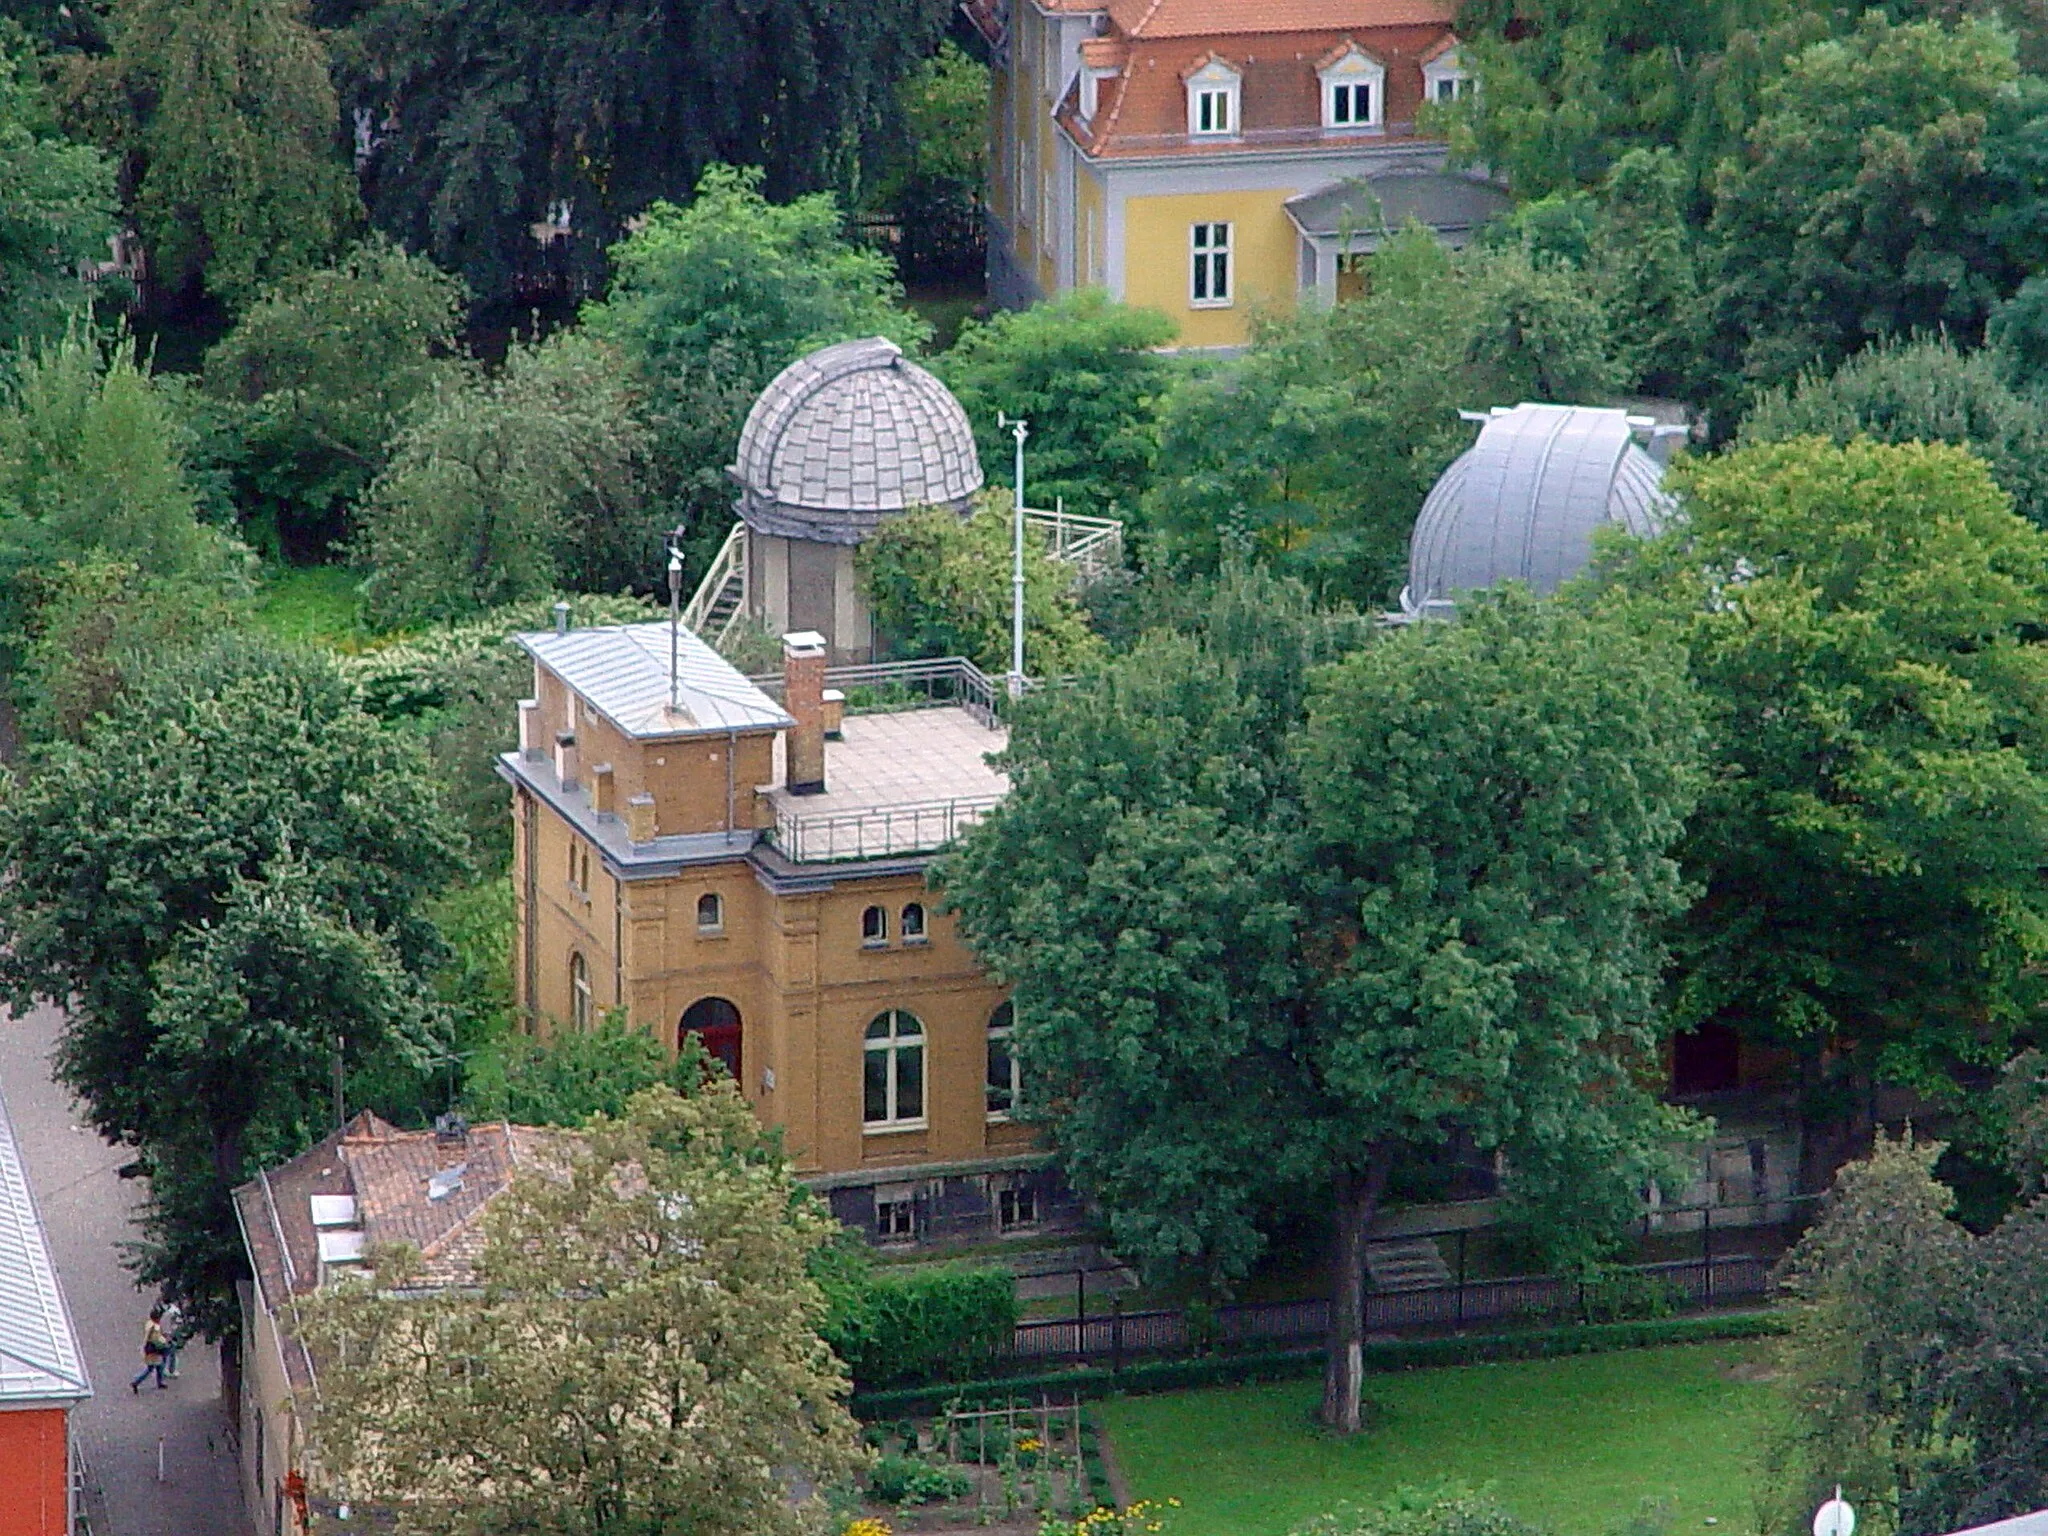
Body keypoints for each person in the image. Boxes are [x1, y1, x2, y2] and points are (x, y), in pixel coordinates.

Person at [130, 1307, 170, 1393]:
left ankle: (160, 1382)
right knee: (151, 1368)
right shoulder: (155, 1327)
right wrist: (165, 1341)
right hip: (154, 1349)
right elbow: (157, 1339)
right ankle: (136, 1382)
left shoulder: (149, 1324)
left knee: (160, 1366)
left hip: (149, 1347)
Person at [158, 1299, 184, 1379]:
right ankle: (170, 1371)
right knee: (170, 1353)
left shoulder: (169, 1313)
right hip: (169, 1336)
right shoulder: (171, 1314)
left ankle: (166, 1370)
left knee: (168, 1354)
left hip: (168, 1336)